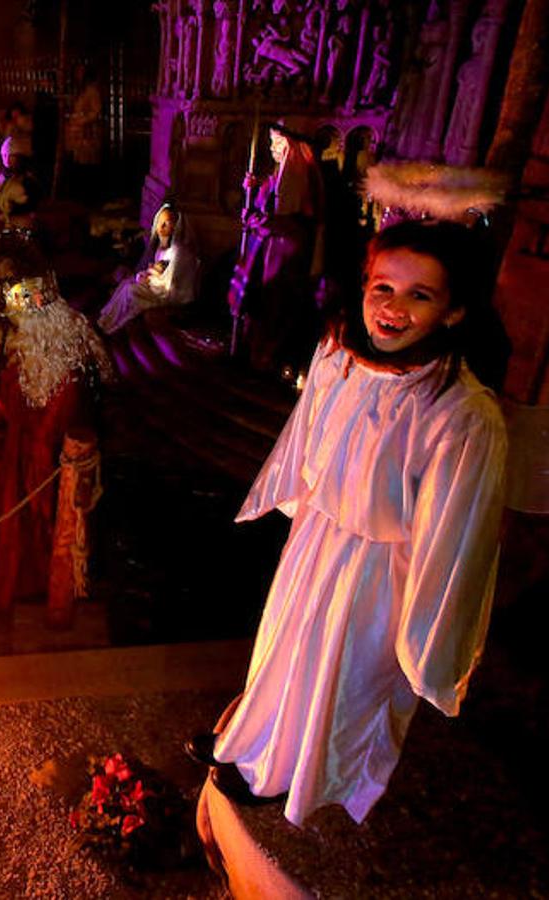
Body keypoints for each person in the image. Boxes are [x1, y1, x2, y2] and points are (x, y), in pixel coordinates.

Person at [193, 221, 508, 827]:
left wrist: (423, 636)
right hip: (318, 539)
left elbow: (455, 535)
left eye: (421, 295)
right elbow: (309, 435)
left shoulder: (461, 413)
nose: (392, 308)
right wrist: (301, 507)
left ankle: (311, 776)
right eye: (382, 287)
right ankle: (253, 747)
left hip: (379, 572)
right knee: (285, 649)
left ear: (454, 310)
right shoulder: (339, 355)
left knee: (341, 679)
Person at [0, 239, 109, 613]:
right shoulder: (62, 357)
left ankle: (37, 581)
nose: (12, 334)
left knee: (37, 520)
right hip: (49, 456)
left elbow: (5, 410)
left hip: (39, 463)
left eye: (16, 328)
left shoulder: (35, 363)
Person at [229, 123, 326, 377]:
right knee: (259, 301)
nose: (274, 149)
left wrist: (259, 221)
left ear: (292, 146)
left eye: (279, 143)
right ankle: (251, 353)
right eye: (271, 143)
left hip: (285, 255)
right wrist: (254, 187)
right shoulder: (278, 174)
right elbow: (267, 200)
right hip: (266, 250)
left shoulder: (300, 175)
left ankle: (268, 360)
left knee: (277, 305)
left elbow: (295, 223)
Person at [98, 203, 199, 335]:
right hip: (157, 284)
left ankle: (114, 327)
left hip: (171, 292)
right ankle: (105, 320)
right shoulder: (161, 249)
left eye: (167, 223)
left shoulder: (178, 251)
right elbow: (159, 272)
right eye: (160, 222)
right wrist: (148, 276)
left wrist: (151, 278)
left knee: (132, 290)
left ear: (175, 226)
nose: (161, 227)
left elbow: (171, 284)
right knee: (126, 283)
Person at [0, 136, 37, 234]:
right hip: (0, 227)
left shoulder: (28, 180)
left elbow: (31, 203)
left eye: (12, 156)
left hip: (20, 226)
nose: (8, 159)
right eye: (5, 155)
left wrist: (12, 208)